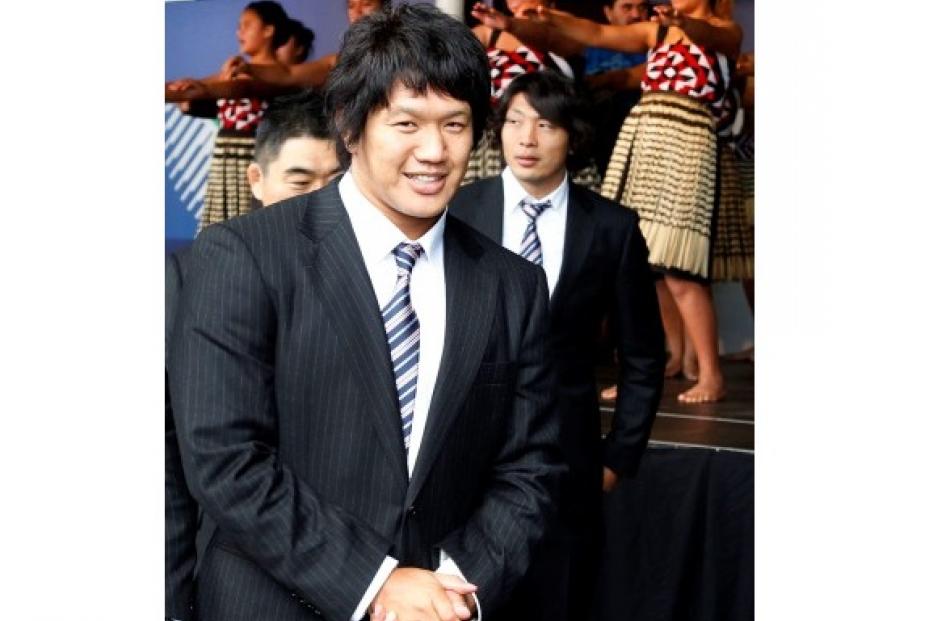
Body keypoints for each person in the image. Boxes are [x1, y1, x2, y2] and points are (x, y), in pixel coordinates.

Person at [168, 5, 563, 621]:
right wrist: (376, 584)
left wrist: (453, 588)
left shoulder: (513, 285)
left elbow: (531, 466)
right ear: (350, 124)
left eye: (455, 124)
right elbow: (226, 460)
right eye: (406, 122)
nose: (433, 151)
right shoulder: (245, 256)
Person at [450, 70, 665, 621]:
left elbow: (643, 354)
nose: (526, 139)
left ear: (572, 135)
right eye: (515, 122)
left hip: (566, 457)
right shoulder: (458, 210)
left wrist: (618, 456)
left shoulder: (612, 227)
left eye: (545, 125)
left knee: (563, 595)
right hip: (460, 448)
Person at [473, 0, 742, 403]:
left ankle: (710, 374)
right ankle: (678, 358)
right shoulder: (658, 32)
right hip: (647, 134)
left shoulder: (724, 30)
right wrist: (546, 19)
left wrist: (683, 22)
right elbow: (596, 34)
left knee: (681, 264)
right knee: (649, 261)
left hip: (687, 137)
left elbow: (712, 37)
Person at [165, 89, 343, 621]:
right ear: (256, 181)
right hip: (229, 569)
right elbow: (168, 456)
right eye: (300, 180)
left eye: (336, 183)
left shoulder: (384, 278)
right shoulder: (189, 276)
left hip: (353, 572)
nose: (319, 198)